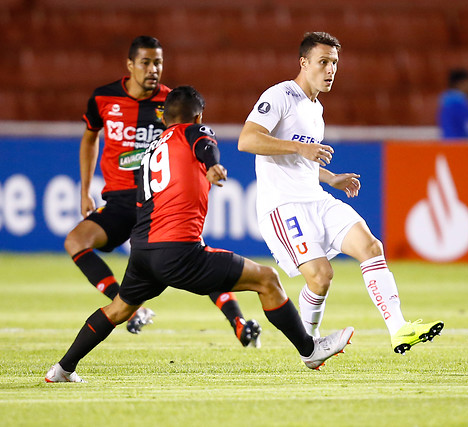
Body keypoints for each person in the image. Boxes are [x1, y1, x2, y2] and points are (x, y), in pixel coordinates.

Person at [45, 86, 354, 382]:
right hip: (179, 251)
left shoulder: (149, 152)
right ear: (198, 117)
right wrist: (214, 166)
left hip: (143, 252)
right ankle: (309, 350)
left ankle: (62, 368)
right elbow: (205, 146)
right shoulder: (195, 131)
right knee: (267, 279)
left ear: (164, 119)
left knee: (118, 309)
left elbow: (143, 203)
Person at [238, 32, 444, 355]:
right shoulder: (280, 96)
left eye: (334, 63)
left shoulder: (315, 109)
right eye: (323, 62)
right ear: (304, 63)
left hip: (316, 199)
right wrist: (298, 148)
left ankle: (399, 329)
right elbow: (247, 140)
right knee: (321, 277)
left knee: (371, 246)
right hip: (283, 206)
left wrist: (330, 177)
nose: (330, 69)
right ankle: (309, 345)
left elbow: (299, 159)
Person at [64, 36, 261, 346]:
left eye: (158, 63)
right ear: (130, 65)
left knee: (193, 258)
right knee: (76, 240)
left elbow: (194, 140)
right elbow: (90, 138)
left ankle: (237, 321)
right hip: (118, 201)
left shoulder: (171, 104)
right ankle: (128, 306)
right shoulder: (103, 98)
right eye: (146, 62)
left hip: (158, 199)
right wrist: (85, 189)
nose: (153, 69)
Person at [437, 68, 468, 140]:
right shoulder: (454, 104)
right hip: (459, 146)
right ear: (460, 83)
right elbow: (467, 127)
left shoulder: (460, 102)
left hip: (460, 145)